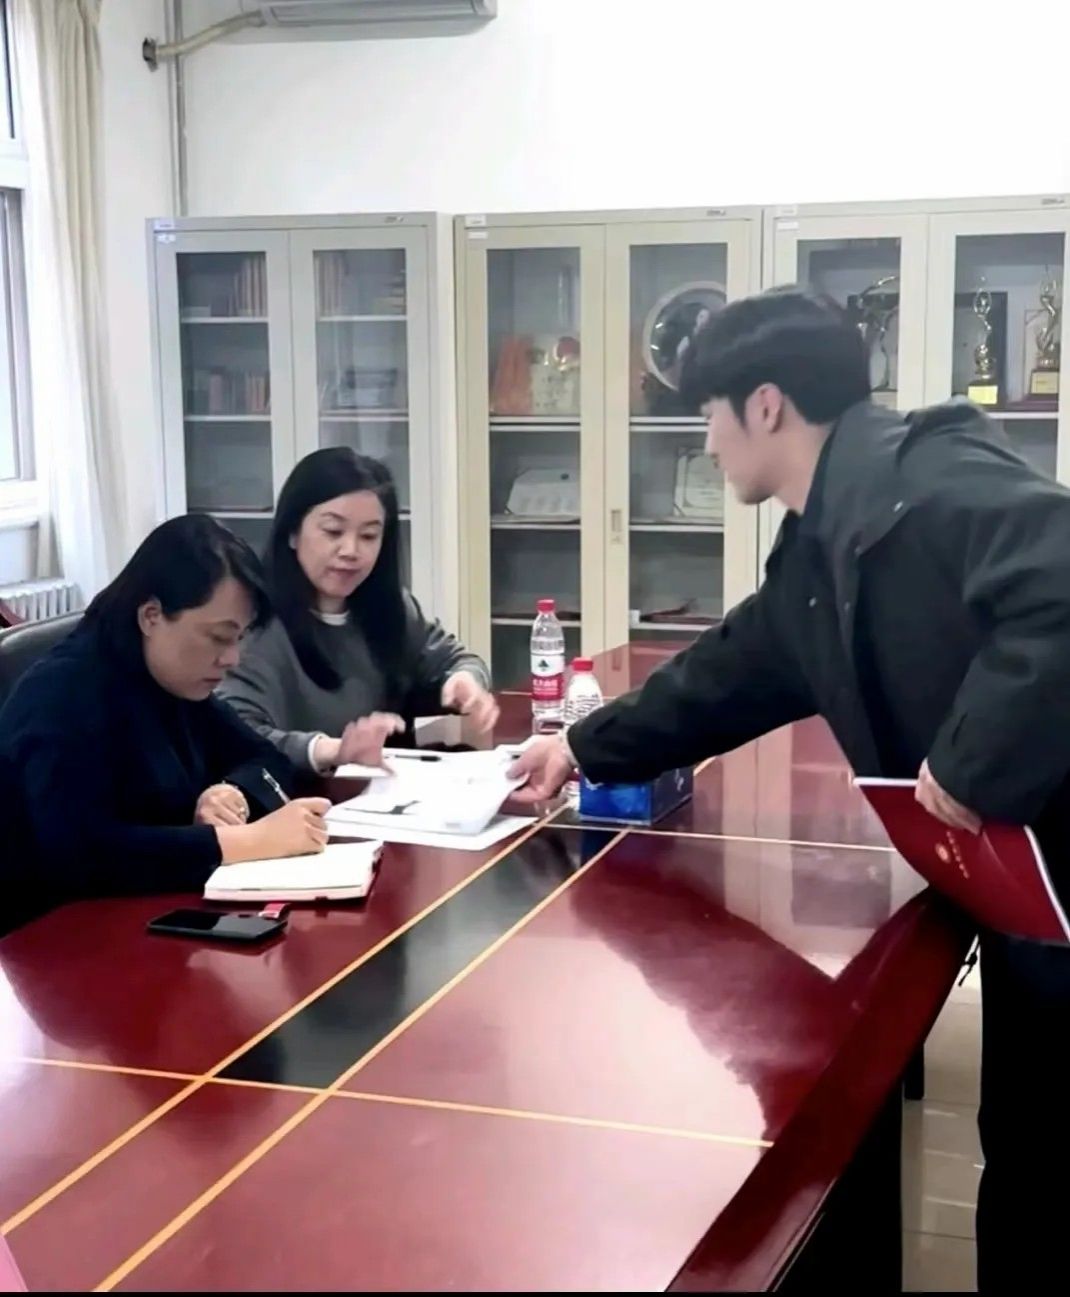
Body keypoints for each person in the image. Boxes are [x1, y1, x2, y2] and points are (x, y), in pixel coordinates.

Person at [510, 285, 1070, 1292]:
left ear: (764, 405)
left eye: (708, 413)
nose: (706, 441)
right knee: (1026, 1148)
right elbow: (733, 669)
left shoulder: (927, 474)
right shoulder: (819, 540)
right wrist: (585, 747)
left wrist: (968, 757)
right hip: (1027, 896)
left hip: (1057, 882)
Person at [0, 515, 330, 936]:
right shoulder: (61, 695)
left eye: (239, 637)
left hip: (154, 917)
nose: (232, 658)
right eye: (218, 637)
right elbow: (81, 854)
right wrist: (248, 842)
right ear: (152, 616)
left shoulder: (172, 678)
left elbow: (267, 757)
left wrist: (231, 794)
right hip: (51, 941)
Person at [219, 448, 497, 773]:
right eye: (333, 531)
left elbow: (457, 659)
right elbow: (235, 737)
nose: (351, 551)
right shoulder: (253, 622)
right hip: (296, 799)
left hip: (383, 791)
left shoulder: (389, 605)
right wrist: (332, 750)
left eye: (368, 536)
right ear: (292, 532)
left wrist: (465, 681)